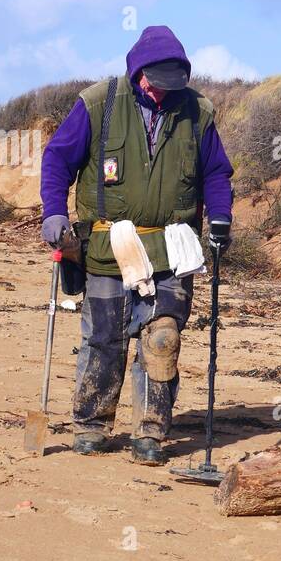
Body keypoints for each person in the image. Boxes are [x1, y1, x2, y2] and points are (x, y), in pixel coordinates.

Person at [39, 25, 234, 465]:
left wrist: (220, 218)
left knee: (162, 339)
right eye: (157, 85)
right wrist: (53, 211)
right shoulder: (97, 103)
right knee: (105, 338)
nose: (163, 93)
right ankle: (91, 424)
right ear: (139, 73)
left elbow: (216, 173)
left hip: (171, 247)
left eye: (172, 85)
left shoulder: (197, 111)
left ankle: (150, 432)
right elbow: (57, 158)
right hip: (107, 247)